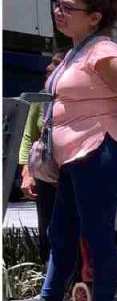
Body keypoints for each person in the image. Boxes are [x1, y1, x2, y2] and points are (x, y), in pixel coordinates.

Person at [39, 0, 117, 301]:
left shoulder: (103, 51)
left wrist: (108, 127)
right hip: (74, 155)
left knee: (95, 230)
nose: (59, 11)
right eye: (57, 4)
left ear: (94, 18)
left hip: (99, 150)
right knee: (61, 231)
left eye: (68, 7)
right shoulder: (75, 51)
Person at [19, 47, 67, 263]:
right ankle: (49, 273)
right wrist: (27, 173)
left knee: (71, 226)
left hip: (71, 172)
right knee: (46, 225)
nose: (49, 67)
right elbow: (29, 136)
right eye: (50, 63)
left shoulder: (78, 100)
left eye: (56, 63)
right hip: (45, 173)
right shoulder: (41, 99)